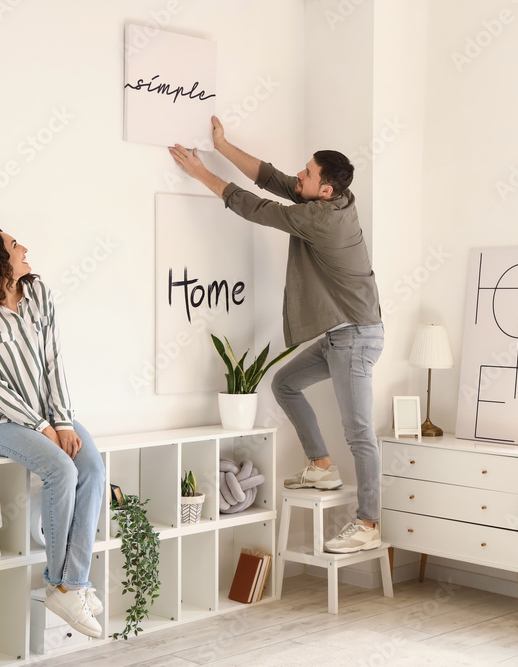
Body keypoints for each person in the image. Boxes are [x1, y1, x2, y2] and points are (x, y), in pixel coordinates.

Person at [169, 118, 384, 554]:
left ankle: (367, 523)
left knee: (360, 433)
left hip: (356, 337)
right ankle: (322, 465)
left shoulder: (322, 220)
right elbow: (272, 179)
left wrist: (201, 173)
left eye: (307, 173)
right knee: (284, 383)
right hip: (342, 335)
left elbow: (255, 207)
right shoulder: (334, 200)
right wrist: (223, 146)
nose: (299, 176)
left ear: (325, 190)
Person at [0, 228, 105, 638]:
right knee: (62, 470)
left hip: (50, 415)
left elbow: (55, 361)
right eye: (15, 245)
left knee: (92, 468)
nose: (24, 249)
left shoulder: (39, 296)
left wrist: (61, 422)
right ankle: (66, 585)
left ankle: (69, 585)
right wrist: (41, 427)